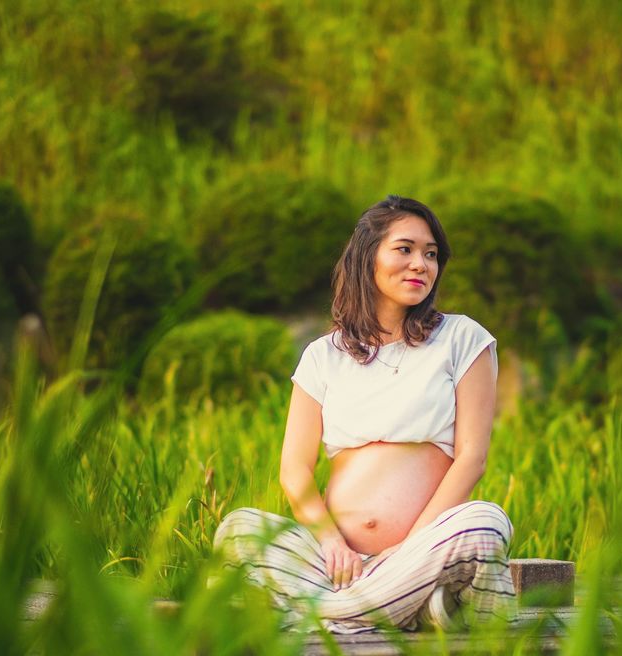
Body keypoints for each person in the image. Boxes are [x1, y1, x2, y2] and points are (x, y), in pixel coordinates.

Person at [212, 195, 515, 633]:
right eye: (405, 249)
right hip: (336, 563)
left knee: (485, 523)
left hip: (421, 552)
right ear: (366, 255)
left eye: (431, 255)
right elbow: (295, 470)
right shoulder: (323, 356)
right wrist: (332, 543)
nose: (421, 264)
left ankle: (326, 615)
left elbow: (472, 457)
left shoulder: (462, 339)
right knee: (239, 529)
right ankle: (401, 609)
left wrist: (407, 551)